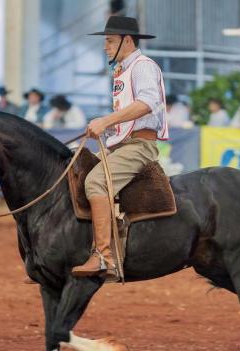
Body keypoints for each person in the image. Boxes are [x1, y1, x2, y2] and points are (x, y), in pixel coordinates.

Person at [72, 16, 168, 280]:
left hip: (139, 145)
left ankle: (103, 256)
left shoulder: (143, 66)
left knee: (95, 183)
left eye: (109, 41)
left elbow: (148, 102)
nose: (105, 46)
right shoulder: (124, 70)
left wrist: (106, 121)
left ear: (127, 41)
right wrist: (108, 128)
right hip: (124, 144)